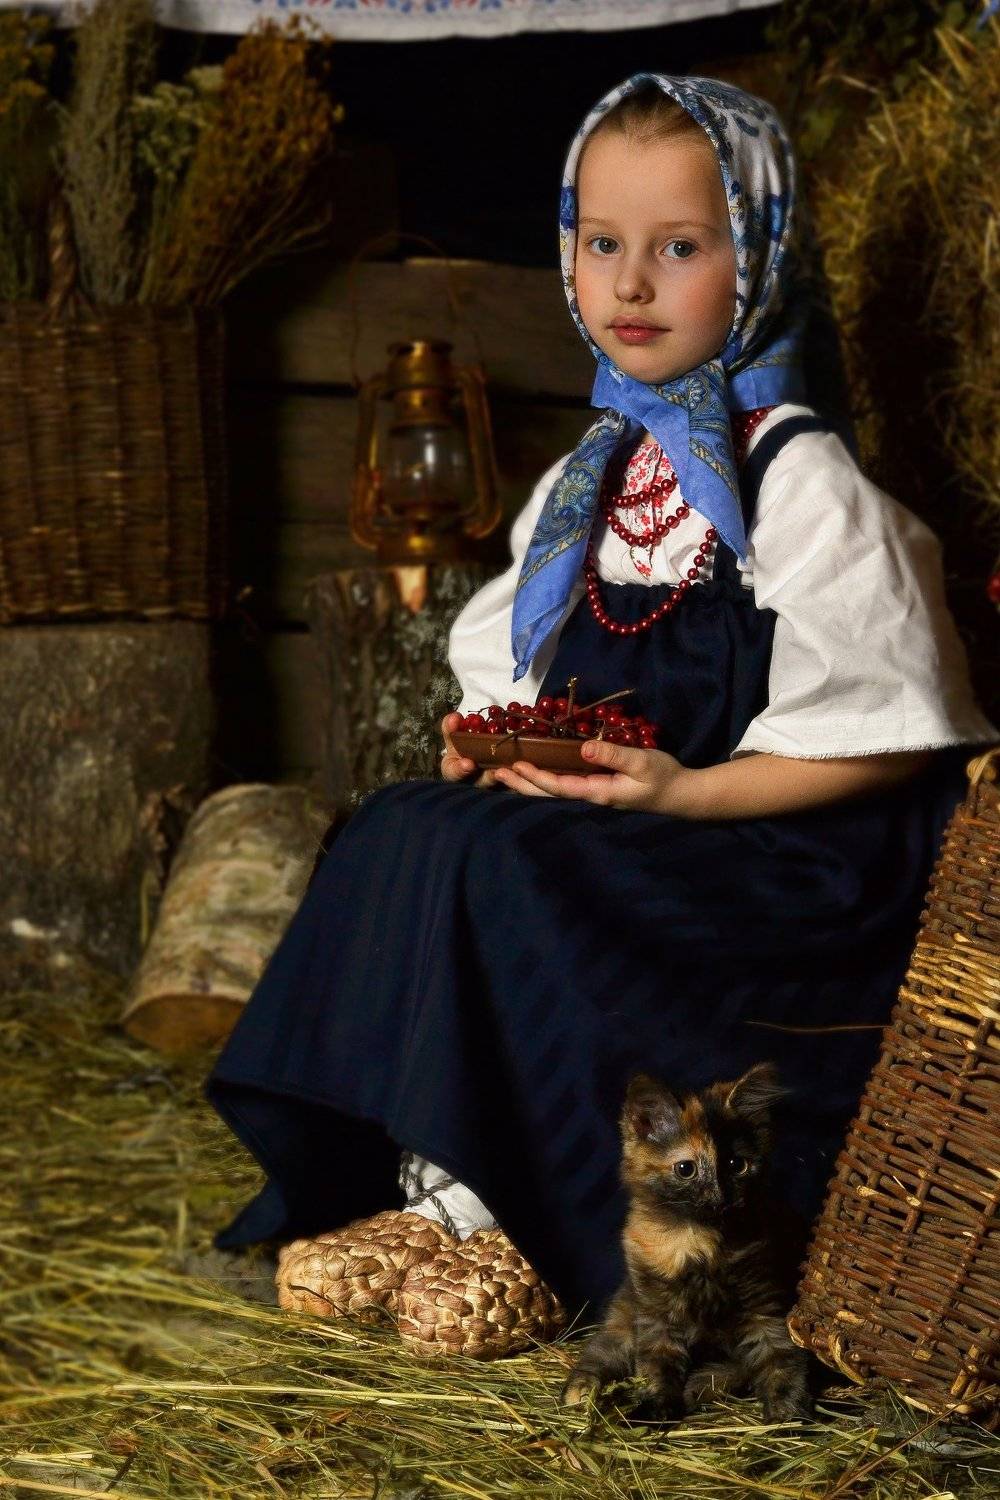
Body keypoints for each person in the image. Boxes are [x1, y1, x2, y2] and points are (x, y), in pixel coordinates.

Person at [207, 72, 995, 1322]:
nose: (629, 285)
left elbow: (891, 743)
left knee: (509, 864)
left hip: (779, 863)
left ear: (760, 259)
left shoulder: (802, 486)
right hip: (629, 821)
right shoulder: (594, 476)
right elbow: (535, 670)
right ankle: (410, 1170)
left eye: (679, 247)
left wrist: (683, 793)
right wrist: (498, 749)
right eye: (600, 243)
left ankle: (515, 1214)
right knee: (403, 823)